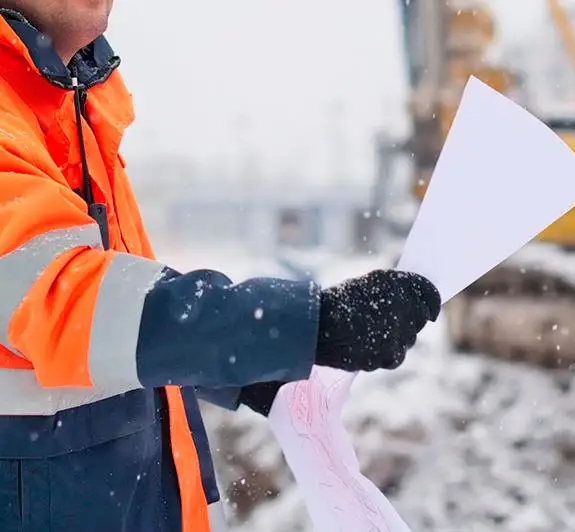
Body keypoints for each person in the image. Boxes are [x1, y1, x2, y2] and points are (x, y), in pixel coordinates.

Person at [0, 1, 442, 531]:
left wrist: (247, 373)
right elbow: (67, 299)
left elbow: (108, 331)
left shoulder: (63, 107)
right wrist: (304, 326)